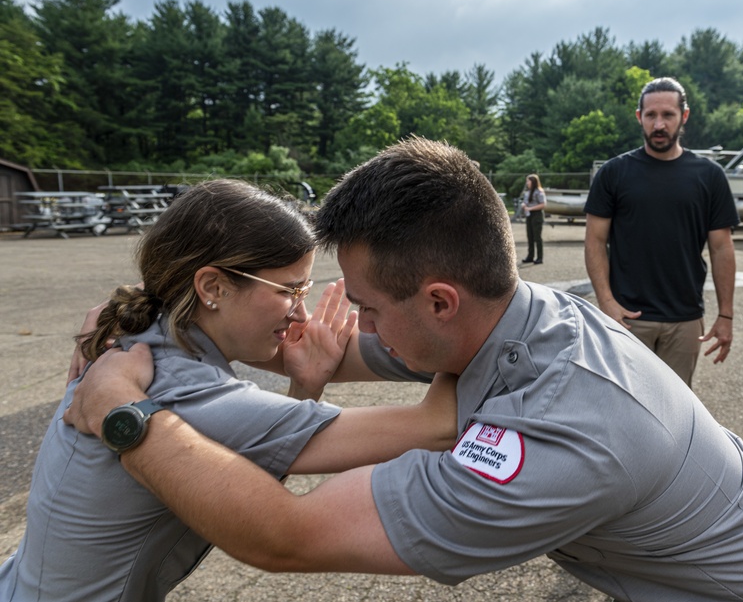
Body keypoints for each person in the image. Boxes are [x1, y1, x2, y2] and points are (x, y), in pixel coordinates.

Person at [66, 138, 743, 602]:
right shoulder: (508, 317)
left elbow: (284, 536)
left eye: (368, 306)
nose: (358, 325)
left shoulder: (564, 436)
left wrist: (124, 415)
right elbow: (334, 350)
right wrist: (270, 346)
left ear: (441, 300)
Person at [0, 179, 456, 602]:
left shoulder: (146, 331)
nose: (301, 315)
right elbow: (437, 426)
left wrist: (307, 383)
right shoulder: (179, 386)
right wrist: (464, 323)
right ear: (213, 286)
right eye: (289, 291)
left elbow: (238, 466)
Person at [584, 77, 739, 387]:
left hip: (684, 320)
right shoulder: (614, 173)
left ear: (684, 116)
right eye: (651, 115)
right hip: (627, 318)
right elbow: (595, 241)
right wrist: (607, 303)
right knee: (623, 408)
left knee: (676, 414)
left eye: (667, 115)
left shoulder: (709, 175)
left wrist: (726, 315)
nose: (659, 124)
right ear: (639, 116)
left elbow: (722, 248)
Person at [521, 173, 546, 264]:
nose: (527, 183)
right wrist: (524, 205)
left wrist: (530, 208)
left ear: (533, 182)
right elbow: (525, 202)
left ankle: (540, 257)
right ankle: (530, 256)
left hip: (537, 215)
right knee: (530, 236)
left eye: (528, 181)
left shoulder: (539, 192)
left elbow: (543, 205)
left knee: (537, 237)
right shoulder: (528, 192)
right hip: (529, 216)